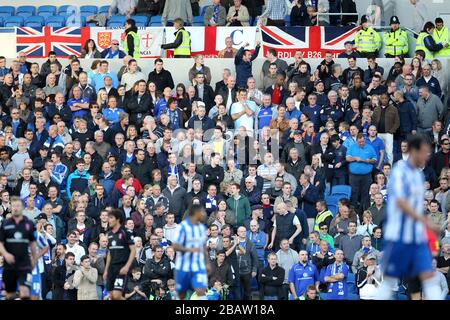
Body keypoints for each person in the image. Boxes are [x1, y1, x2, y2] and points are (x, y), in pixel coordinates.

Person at [376, 135, 443, 300]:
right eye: (425, 153)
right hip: (398, 234)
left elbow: (415, 206)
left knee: (428, 275)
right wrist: (426, 221)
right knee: (389, 279)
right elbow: (400, 202)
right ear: (414, 151)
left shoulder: (418, 175)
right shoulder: (400, 171)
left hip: (416, 235)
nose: (427, 157)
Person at [0, 197, 37, 300]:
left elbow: (33, 244)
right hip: (9, 265)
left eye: (18, 206)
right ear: (10, 207)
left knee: (25, 292)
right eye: (14, 206)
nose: (16, 208)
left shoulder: (29, 223)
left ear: (22, 207)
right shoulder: (5, 223)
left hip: (24, 264)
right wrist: (6, 254)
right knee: (9, 295)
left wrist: (34, 259)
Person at [172, 204, 208, 300]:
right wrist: (189, 250)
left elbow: (203, 247)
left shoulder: (202, 228)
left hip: (198, 266)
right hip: (183, 266)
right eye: (202, 211)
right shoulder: (182, 227)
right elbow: (175, 246)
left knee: (201, 291)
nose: (204, 214)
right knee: (181, 295)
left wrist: (207, 263)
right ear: (196, 213)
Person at [103, 209, 136, 300]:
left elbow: (133, 251)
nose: (108, 220)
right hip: (111, 268)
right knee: (112, 296)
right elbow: (109, 252)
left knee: (117, 295)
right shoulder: (109, 234)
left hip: (121, 267)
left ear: (117, 219)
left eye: (111, 218)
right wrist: (106, 270)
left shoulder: (126, 232)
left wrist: (127, 267)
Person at [346, 133, 377, 210]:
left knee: (366, 193)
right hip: (354, 176)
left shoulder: (370, 147)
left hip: (367, 175)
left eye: (363, 141)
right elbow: (347, 158)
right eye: (359, 142)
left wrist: (367, 160)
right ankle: (354, 211)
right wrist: (355, 158)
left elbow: (375, 159)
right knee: (354, 193)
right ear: (356, 141)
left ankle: (365, 210)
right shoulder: (352, 147)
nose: (361, 143)